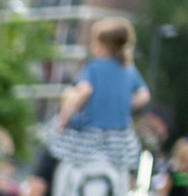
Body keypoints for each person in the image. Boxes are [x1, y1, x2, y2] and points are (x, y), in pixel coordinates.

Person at [52, 18, 148, 148]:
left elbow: (84, 90)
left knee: (51, 151)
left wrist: (64, 118)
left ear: (101, 46)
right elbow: (144, 95)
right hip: (120, 139)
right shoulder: (129, 69)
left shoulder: (94, 67)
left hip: (93, 136)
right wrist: (122, 103)